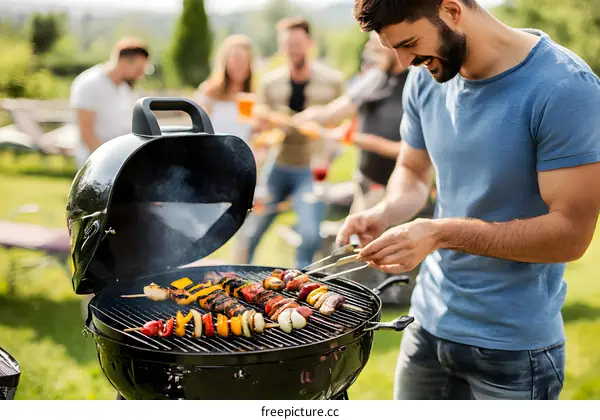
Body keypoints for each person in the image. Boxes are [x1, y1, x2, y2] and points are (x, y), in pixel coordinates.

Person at [337, 0, 600, 400]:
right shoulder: (427, 75)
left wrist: (441, 234)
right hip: (425, 326)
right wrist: (384, 212)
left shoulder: (565, 88)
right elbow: (412, 172)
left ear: (452, 10)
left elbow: (570, 235)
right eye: (396, 50)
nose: (406, 61)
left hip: (513, 349)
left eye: (409, 43)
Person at [242, 16, 345, 269]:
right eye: (287, 44)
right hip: (277, 165)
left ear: (310, 43)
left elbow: (345, 124)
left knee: (310, 234)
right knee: (252, 229)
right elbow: (258, 124)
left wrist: (331, 146)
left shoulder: (333, 82)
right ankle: (238, 278)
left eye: (297, 43)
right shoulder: (269, 83)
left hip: (311, 169)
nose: (292, 49)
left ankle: (301, 284)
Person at [69, 37, 150, 168]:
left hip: (120, 161)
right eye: (138, 69)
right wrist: (110, 161)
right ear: (124, 62)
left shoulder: (125, 89)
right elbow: (87, 134)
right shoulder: (90, 84)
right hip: (96, 164)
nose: (140, 75)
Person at [195, 34, 255, 144]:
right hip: (216, 155)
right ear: (225, 62)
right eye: (236, 59)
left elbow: (249, 132)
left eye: (244, 60)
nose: (240, 65)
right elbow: (199, 132)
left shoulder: (251, 96)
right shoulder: (208, 92)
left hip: (244, 156)